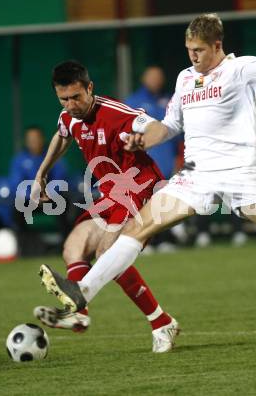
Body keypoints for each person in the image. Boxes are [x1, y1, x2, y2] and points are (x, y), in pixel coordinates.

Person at [39, 14, 256, 331]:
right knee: (137, 227)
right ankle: (82, 293)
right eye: (189, 49)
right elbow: (170, 125)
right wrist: (141, 139)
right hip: (196, 177)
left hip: (242, 177)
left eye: (199, 50)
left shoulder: (240, 70)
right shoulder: (185, 78)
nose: (193, 56)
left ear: (217, 45)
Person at [31, 60, 179, 353]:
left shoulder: (115, 113)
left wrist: (143, 139)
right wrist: (41, 173)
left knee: (107, 253)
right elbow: (62, 135)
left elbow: (154, 126)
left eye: (77, 97)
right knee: (73, 247)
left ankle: (161, 323)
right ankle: (79, 315)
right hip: (110, 192)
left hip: (139, 187)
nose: (71, 104)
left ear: (90, 88)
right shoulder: (69, 116)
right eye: (64, 99)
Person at [125, 66, 186, 251]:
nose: (156, 81)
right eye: (152, 77)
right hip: (143, 163)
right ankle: (145, 243)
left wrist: (180, 159)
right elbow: (127, 133)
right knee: (144, 205)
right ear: (144, 79)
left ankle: (165, 240)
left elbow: (178, 134)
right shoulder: (133, 102)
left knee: (165, 203)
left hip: (167, 161)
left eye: (159, 77)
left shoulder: (169, 100)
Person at [10, 127, 70, 252]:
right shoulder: (19, 160)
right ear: (26, 142)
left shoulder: (54, 156)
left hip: (50, 199)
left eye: (36, 139)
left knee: (65, 205)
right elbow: (16, 184)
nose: (34, 142)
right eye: (31, 140)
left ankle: (65, 247)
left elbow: (60, 179)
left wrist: (47, 194)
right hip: (29, 200)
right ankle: (26, 247)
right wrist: (33, 195)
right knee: (16, 209)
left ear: (42, 140)